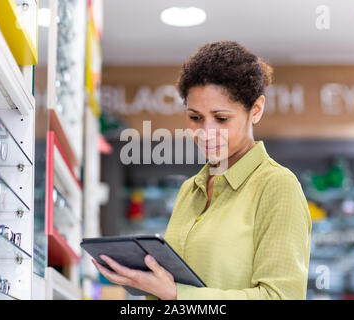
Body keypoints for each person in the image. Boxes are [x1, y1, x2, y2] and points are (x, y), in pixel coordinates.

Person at [92, 41, 312, 300]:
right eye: (195, 117)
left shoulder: (277, 186)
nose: (206, 133)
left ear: (256, 110)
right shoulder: (190, 190)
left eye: (221, 119)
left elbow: (279, 298)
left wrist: (176, 294)